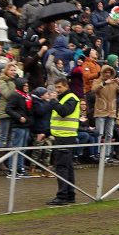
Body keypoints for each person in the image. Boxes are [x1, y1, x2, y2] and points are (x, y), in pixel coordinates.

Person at [46, 77, 80, 206]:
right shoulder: (62, 99)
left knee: (61, 167)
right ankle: (70, 195)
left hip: (65, 137)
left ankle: (62, 196)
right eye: (56, 87)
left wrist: (54, 101)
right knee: (68, 167)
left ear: (66, 86)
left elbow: (64, 112)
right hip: (61, 136)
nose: (57, 90)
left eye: (59, 87)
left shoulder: (72, 98)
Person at [91, 64, 119, 163]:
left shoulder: (114, 83)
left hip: (111, 112)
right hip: (100, 111)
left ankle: (107, 155)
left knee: (109, 134)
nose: (107, 74)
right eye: (106, 72)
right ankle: (97, 154)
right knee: (99, 133)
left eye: (109, 72)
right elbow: (93, 90)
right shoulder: (97, 81)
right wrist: (104, 83)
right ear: (102, 72)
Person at [5, 78, 32, 176]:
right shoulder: (15, 95)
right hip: (18, 125)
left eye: (27, 85)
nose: (27, 87)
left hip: (25, 126)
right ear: (20, 85)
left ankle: (20, 168)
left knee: (23, 148)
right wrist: (19, 117)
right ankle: (12, 169)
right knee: (16, 148)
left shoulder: (27, 97)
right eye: (25, 85)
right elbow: (8, 109)